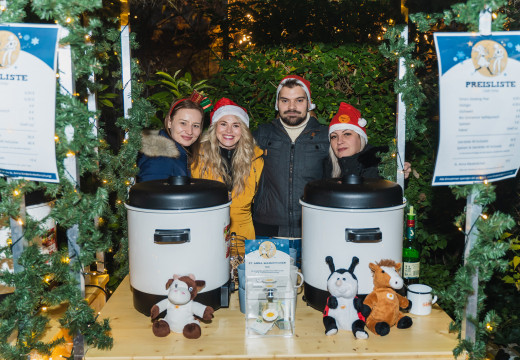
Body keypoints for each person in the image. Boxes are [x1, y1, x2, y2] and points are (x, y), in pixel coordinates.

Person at [253, 75, 330, 238]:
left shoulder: (327, 136)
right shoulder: (262, 134)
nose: (292, 107)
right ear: (277, 104)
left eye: (299, 100)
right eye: (285, 100)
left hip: (313, 226)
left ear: (309, 103)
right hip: (268, 226)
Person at [191, 98, 264, 244]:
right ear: (214, 127)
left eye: (236, 125)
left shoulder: (256, 159)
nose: (229, 131)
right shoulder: (196, 158)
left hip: (245, 239)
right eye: (223, 124)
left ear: (243, 130)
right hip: (207, 236)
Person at [327, 102, 411, 179]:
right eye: (334, 136)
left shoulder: (378, 165)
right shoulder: (328, 168)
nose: (339, 141)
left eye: (347, 134)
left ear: (360, 138)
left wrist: (398, 172)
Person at [136, 96, 205, 182]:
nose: (190, 131)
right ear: (169, 122)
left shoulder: (177, 153)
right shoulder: (160, 160)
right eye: (183, 123)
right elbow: (151, 194)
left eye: (195, 126)